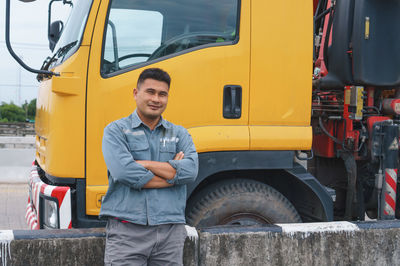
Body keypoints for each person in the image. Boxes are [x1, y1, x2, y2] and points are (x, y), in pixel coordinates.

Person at [100, 68, 199, 266]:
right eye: (150, 92)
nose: (156, 99)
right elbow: (125, 172)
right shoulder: (116, 131)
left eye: (162, 94)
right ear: (136, 94)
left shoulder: (179, 133)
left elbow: (190, 171)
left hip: (170, 233)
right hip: (127, 232)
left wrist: (144, 164)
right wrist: (173, 176)